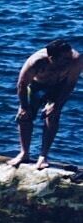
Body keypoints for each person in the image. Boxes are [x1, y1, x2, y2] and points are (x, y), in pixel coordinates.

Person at [11, 39, 82, 170]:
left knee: (52, 116)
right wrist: (24, 107)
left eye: (69, 56)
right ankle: (24, 153)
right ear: (51, 58)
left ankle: (43, 156)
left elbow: (70, 84)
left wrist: (56, 104)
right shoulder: (36, 62)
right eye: (63, 59)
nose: (68, 61)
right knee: (24, 116)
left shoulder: (75, 60)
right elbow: (22, 84)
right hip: (37, 86)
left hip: (59, 87)